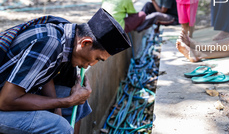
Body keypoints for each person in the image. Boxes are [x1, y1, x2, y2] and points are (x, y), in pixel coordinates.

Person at [0, 8, 131, 134]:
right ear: (85, 43)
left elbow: (44, 74)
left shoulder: (66, 34)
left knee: (79, 103)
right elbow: (6, 101)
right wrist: (66, 101)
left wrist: (59, 107)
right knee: (59, 126)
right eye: (97, 58)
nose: (90, 65)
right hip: (5, 100)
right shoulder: (50, 43)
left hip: (14, 93)